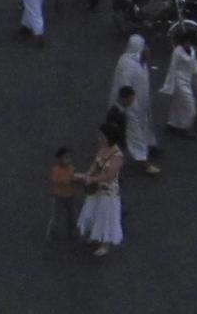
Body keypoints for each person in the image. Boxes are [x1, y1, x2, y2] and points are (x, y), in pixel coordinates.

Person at [109, 35, 159, 174]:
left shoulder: (138, 61)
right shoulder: (128, 64)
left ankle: (148, 145)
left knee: (142, 127)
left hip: (140, 103)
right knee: (134, 133)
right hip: (130, 106)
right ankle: (144, 163)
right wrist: (129, 105)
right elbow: (125, 87)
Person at [77, 123, 127, 258]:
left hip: (108, 192)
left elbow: (110, 176)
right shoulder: (103, 148)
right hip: (97, 188)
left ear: (108, 137)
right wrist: (88, 173)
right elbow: (96, 163)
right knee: (93, 212)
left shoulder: (117, 156)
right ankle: (95, 236)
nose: (99, 137)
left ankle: (105, 244)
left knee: (105, 217)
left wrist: (92, 179)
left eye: (102, 135)